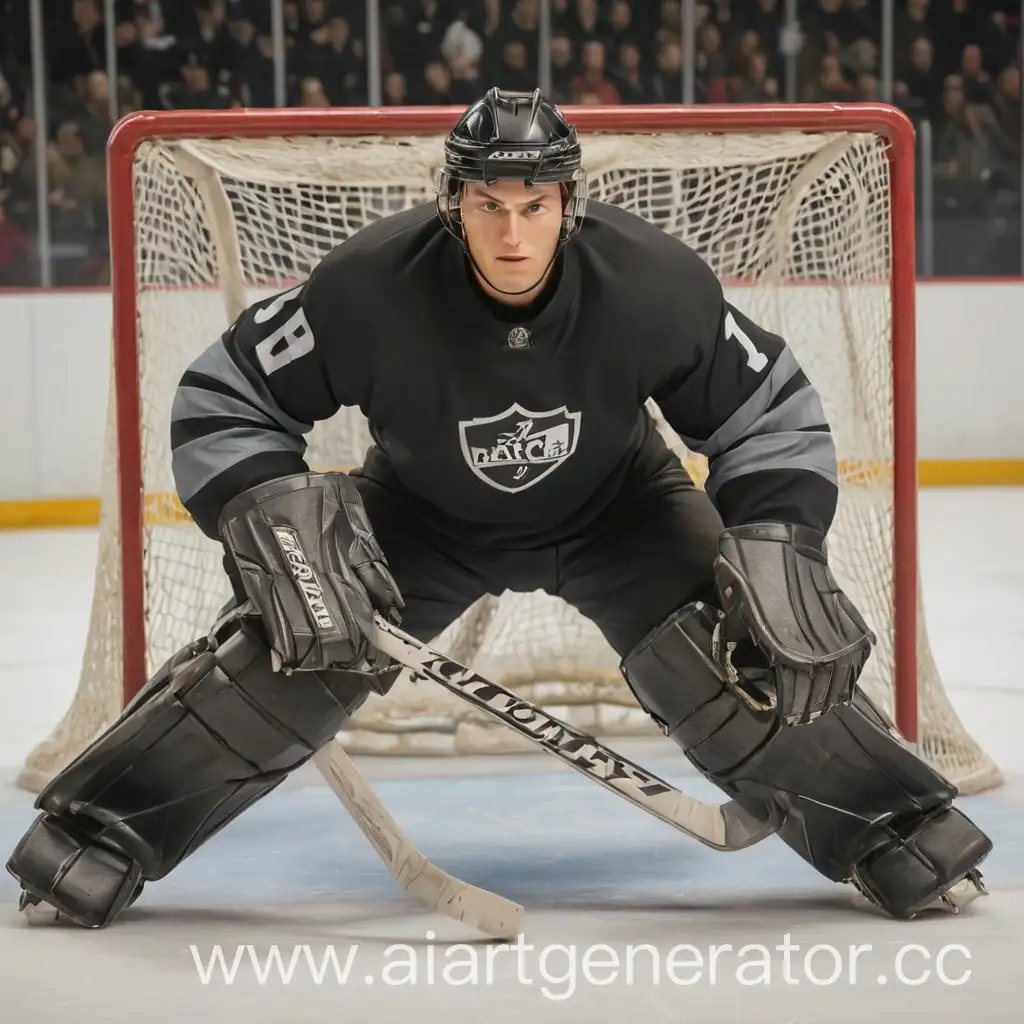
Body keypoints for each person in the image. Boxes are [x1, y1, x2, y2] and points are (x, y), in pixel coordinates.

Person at [7, 89, 991, 928]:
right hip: (420, 518)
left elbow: (767, 409)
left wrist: (778, 536)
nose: (511, 231)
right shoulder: (368, 287)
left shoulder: (653, 285)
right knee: (288, 649)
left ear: (570, 201)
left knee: (735, 655)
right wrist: (260, 499)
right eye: (488, 203)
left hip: (621, 509)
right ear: (453, 201)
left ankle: (897, 825)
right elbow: (226, 395)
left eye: (533, 203)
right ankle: (98, 829)